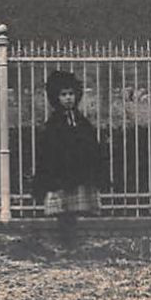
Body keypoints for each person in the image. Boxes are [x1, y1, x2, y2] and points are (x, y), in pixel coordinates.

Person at [34, 70, 106, 220]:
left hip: (81, 176)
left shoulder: (82, 122)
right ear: (56, 97)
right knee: (61, 216)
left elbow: (91, 147)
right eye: (63, 95)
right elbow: (48, 153)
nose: (68, 98)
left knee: (83, 213)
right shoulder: (52, 125)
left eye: (71, 94)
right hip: (60, 176)